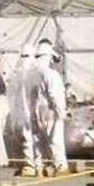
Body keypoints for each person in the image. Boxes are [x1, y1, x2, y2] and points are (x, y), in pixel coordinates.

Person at [20, 39, 69, 177]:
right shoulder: (51, 74)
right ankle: (60, 167)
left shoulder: (30, 74)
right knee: (55, 140)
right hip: (49, 110)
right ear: (48, 56)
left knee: (39, 141)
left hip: (35, 111)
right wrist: (61, 111)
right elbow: (55, 95)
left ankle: (40, 167)